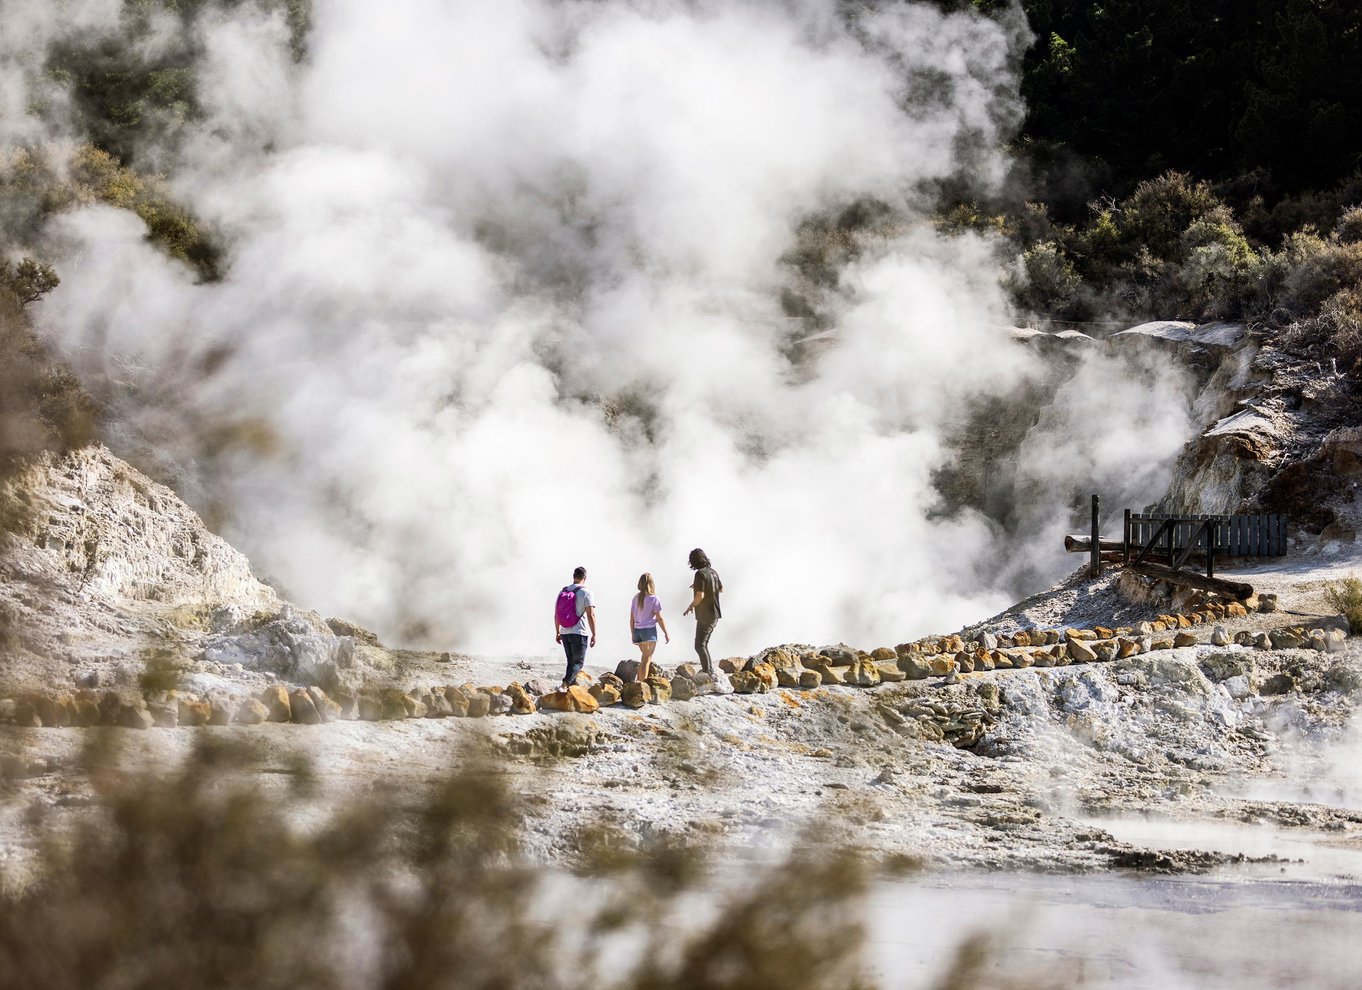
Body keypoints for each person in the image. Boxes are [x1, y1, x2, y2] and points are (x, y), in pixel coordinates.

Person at [553, 566, 596, 688]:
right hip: (579, 632)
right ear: (585, 578)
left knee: (570, 663)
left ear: (573, 576)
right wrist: (594, 634)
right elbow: (591, 615)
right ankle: (564, 685)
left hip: (565, 632)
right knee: (578, 663)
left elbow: (556, 614)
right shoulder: (586, 593)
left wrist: (557, 632)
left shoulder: (562, 592)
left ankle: (567, 691)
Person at [682, 548, 722, 674]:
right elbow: (720, 589)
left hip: (706, 614)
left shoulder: (700, 574)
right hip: (715, 613)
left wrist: (690, 606)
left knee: (699, 646)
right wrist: (699, 585)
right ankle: (709, 670)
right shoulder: (713, 572)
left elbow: (700, 596)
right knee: (703, 644)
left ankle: (708, 672)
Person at [629, 572, 670, 682]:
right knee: (646, 660)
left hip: (638, 631)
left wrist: (633, 634)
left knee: (644, 658)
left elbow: (631, 619)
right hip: (648, 631)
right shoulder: (654, 599)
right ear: (651, 584)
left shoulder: (635, 598)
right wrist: (666, 633)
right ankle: (642, 685)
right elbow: (660, 618)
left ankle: (638, 683)